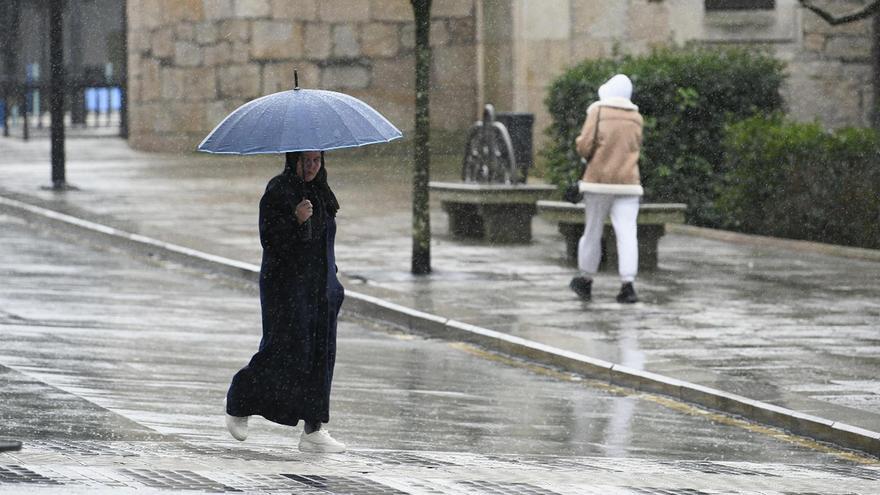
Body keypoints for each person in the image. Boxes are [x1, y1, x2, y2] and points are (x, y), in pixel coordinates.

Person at [224, 150, 346, 453]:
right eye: (306, 160)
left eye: (317, 160)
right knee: (284, 351)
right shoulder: (279, 190)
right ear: (293, 160)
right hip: (287, 288)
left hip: (321, 290)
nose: (312, 166)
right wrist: (295, 219)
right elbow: (270, 238)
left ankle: (314, 428)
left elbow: (324, 241)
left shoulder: (322, 191)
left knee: (320, 357)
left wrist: (333, 280)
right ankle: (240, 401)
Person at [569, 74, 644, 304]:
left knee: (592, 231)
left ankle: (586, 279)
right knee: (627, 234)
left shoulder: (598, 112)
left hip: (598, 182)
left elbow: (585, 146)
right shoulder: (636, 117)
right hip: (629, 184)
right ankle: (628, 285)